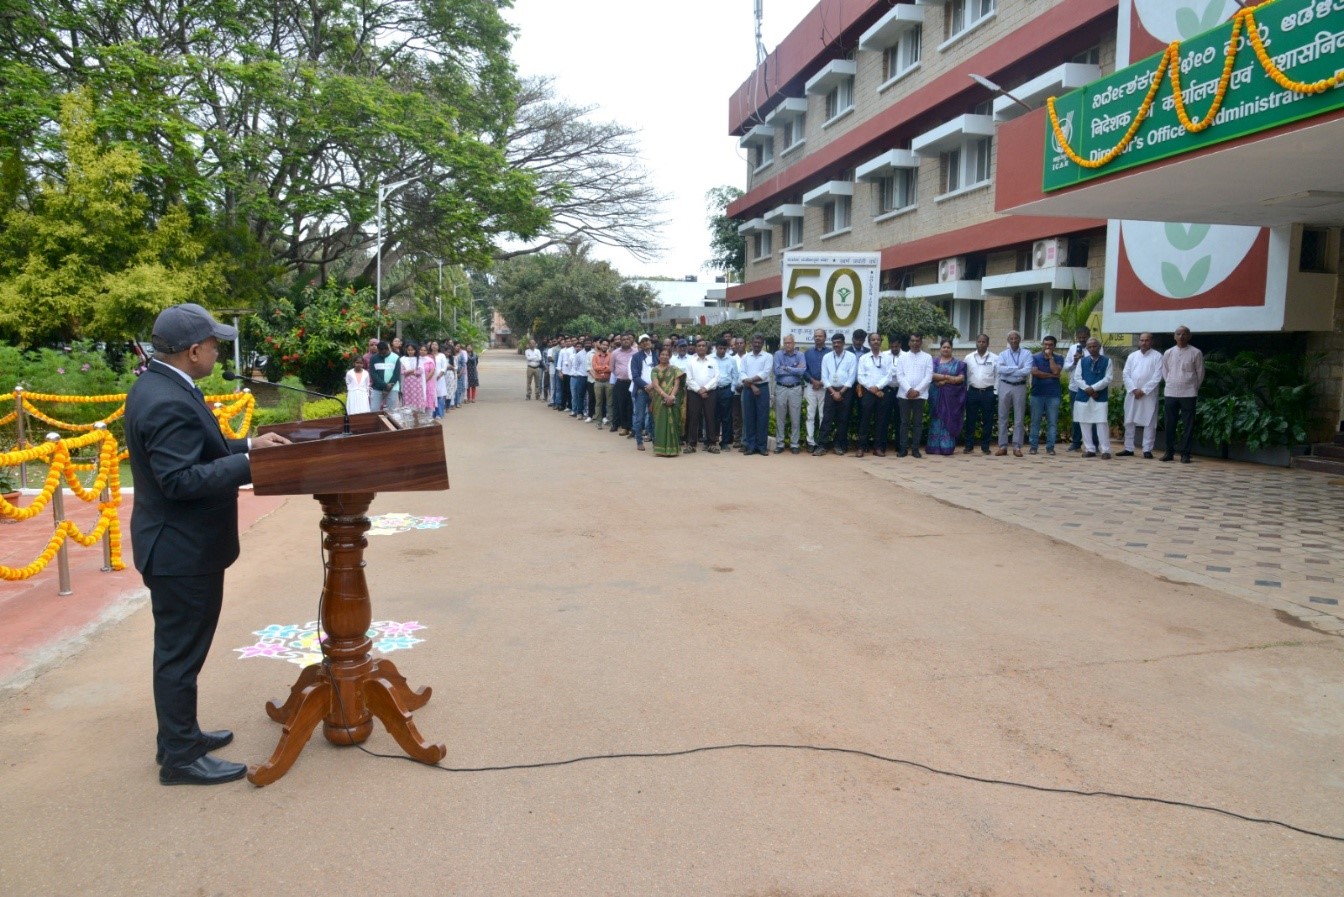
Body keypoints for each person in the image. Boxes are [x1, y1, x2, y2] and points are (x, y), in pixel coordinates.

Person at [124, 303, 291, 785]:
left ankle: (180, 737)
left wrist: (249, 447)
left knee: (182, 653)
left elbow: (200, 451)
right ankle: (180, 758)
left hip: (181, 547)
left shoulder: (163, 384)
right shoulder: (166, 399)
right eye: (215, 344)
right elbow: (179, 480)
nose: (219, 351)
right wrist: (250, 466)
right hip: (180, 552)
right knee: (179, 656)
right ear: (194, 351)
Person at [1161, 325, 1204, 463]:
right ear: (1174, 336)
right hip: (1171, 392)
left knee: (1188, 425)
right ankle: (1169, 452)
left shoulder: (1196, 352)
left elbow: (1200, 373)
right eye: (1178, 334)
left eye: (1184, 334)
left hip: (1189, 393)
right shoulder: (1168, 352)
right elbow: (1165, 371)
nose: (1181, 336)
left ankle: (1185, 454)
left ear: (1189, 336)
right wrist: (1171, 382)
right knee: (1170, 423)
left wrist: (1193, 387)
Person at [1118, 332, 1163, 458]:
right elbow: (1126, 374)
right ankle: (1128, 448)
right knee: (1129, 421)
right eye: (1142, 340)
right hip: (1132, 394)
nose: (1144, 343)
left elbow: (1158, 376)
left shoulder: (1157, 356)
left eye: (1146, 340)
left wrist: (1143, 390)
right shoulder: (1132, 356)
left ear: (1151, 342)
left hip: (1148, 395)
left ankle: (1147, 449)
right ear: (1139, 342)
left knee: (1149, 422)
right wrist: (1133, 389)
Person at [815, 333, 856, 456]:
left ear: (843, 343)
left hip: (846, 391)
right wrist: (834, 392)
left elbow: (852, 377)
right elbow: (824, 376)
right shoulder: (827, 357)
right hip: (830, 391)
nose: (836, 345)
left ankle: (838, 445)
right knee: (827, 419)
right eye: (834, 343)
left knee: (843, 419)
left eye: (838, 342)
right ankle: (822, 445)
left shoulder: (851, 357)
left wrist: (841, 392)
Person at [894, 332, 933, 458]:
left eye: (917, 341)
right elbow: (900, 376)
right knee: (904, 422)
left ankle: (915, 449)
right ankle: (903, 448)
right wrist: (909, 389)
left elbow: (928, 377)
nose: (915, 343)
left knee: (917, 423)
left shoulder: (927, 357)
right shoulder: (902, 357)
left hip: (919, 395)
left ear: (921, 342)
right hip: (904, 394)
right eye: (913, 341)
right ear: (909, 342)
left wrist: (917, 391)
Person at [1073, 337, 1113, 458]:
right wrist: (1088, 389)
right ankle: (1090, 449)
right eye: (1089, 347)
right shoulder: (1082, 361)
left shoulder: (1107, 361)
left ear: (1099, 347)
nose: (1092, 349)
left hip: (1099, 396)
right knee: (1084, 422)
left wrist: (1094, 388)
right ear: (1087, 348)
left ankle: (1105, 450)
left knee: (1101, 423)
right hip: (1084, 396)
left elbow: (1108, 378)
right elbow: (1077, 378)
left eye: (1094, 346)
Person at [855, 332, 892, 458]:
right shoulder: (863, 358)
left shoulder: (887, 358)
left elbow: (888, 376)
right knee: (864, 419)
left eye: (878, 340)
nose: (876, 342)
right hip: (868, 391)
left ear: (881, 342)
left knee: (881, 420)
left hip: (882, 392)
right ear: (869, 342)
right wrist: (873, 389)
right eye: (873, 340)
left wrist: (878, 387)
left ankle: (878, 448)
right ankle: (861, 447)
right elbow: (860, 376)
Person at [927, 339, 967, 455]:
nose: (946, 349)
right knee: (936, 419)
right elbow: (931, 375)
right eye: (944, 347)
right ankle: (933, 447)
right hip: (936, 396)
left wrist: (944, 381)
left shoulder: (958, 363)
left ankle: (946, 447)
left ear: (952, 349)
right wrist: (949, 377)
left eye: (948, 347)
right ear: (940, 348)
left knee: (948, 419)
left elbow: (961, 378)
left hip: (951, 399)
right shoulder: (934, 362)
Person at [995, 331, 1032, 457]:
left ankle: (1017, 447)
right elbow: (1000, 369)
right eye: (1011, 339)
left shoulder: (1027, 354)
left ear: (1020, 340)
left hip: (1019, 386)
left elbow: (1027, 371)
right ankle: (1002, 446)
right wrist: (1017, 368)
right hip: (1005, 385)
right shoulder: (1002, 354)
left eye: (1016, 338)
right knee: (1002, 417)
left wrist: (1009, 370)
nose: (1014, 341)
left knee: (1019, 418)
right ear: (1008, 340)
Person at [1028, 335, 1064, 455]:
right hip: (1037, 393)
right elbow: (1035, 373)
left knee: (1052, 422)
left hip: (1053, 394)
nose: (1047, 347)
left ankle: (1050, 447)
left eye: (1050, 345)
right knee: (1035, 421)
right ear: (1042, 345)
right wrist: (1052, 376)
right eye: (1045, 344)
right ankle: (1033, 446)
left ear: (1054, 346)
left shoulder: (1059, 358)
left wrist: (1051, 358)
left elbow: (1056, 370)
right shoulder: (1034, 357)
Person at [963, 334, 997, 455]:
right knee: (970, 420)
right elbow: (965, 376)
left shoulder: (995, 358)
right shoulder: (968, 358)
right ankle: (969, 446)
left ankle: (985, 446)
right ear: (976, 343)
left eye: (984, 342)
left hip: (988, 393)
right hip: (972, 392)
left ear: (988, 344)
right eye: (979, 341)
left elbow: (997, 376)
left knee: (988, 421)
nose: (981, 344)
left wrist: (995, 392)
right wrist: (966, 391)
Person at [739, 333, 773, 456]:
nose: (757, 345)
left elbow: (765, 373)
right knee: (749, 418)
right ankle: (750, 446)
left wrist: (750, 380)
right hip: (748, 389)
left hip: (762, 389)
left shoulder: (768, 356)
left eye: (759, 342)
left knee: (762, 418)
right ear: (751, 343)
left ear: (762, 344)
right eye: (755, 342)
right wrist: (752, 385)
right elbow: (742, 373)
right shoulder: (745, 357)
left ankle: (762, 447)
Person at [684, 339, 720, 453]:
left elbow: (716, 377)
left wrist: (706, 388)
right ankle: (691, 444)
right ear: (695, 348)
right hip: (694, 393)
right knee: (693, 417)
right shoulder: (690, 361)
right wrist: (699, 390)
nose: (701, 347)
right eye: (699, 345)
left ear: (706, 348)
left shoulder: (713, 361)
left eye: (703, 345)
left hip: (710, 392)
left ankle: (711, 443)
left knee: (710, 417)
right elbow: (688, 379)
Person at [773, 334, 807, 453]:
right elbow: (777, 371)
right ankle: (780, 444)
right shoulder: (778, 354)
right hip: (781, 388)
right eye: (785, 343)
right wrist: (794, 368)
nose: (787, 345)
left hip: (795, 388)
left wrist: (786, 368)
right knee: (780, 418)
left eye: (789, 342)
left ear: (794, 343)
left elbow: (802, 371)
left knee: (795, 417)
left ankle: (794, 444)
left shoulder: (800, 355)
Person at [650, 347, 685, 458]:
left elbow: (677, 384)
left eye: (667, 355)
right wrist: (665, 396)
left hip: (673, 399)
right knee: (660, 423)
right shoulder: (655, 370)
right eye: (662, 354)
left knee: (674, 422)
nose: (664, 356)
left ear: (670, 356)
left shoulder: (675, 369)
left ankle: (673, 449)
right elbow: (655, 385)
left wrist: (672, 397)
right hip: (660, 400)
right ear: (658, 356)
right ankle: (660, 449)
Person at [1062, 326, 1091, 452]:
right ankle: (1076, 442)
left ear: (1088, 336)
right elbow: (1066, 367)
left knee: (1091, 415)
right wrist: (1074, 361)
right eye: (1079, 338)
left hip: (1090, 387)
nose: (1082, 340)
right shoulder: (1073, 348)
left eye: (1084, 338)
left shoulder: (1095, 347)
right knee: (1076, 415)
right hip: (1075, 387)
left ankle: (1093, 443)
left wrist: (1083, 359)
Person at [803, 328, 828, 453]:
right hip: (811, 387)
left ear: (825, 338)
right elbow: (804, 370)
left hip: (825, 387)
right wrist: (813, 381)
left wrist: (822, 382)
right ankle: (811, 442)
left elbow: (831, 370)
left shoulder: (830, 353)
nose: (818, 338)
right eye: (816, 336)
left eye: (820, 336)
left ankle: (822, 441)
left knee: (823, 415)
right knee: (810, 415)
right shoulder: (807, 353)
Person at [631, 334, 657, 451]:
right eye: (642, 341)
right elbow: (635, 376)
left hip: (655, 391)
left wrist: (653, 386)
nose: (645, 343)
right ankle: (639, 441)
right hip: (641, 391)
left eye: (647, 340)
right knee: (639, 418)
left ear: (650, 341)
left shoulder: (657, 355)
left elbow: (660, 372)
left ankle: (655, 441)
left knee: (653, 417)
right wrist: (646, 386)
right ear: (640, 344)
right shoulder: (636, 357)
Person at [713, 339, 740, 451]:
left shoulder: (731, 360)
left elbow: (735, 376)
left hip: (726, 390)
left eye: (724, 348)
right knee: (713, 416)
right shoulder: (710, 358)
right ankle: (711, 441)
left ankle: (725, 442)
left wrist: (732, 390)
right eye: (720, 348)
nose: (722, 350)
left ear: (727, 349)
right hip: (713, 390)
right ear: (716, 347)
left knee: (726, 417)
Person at [610, 333, 636, 434]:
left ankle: (632, 426)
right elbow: (612, 368)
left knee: (632, 405)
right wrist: (620, 373)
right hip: (620, 382)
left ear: (631, 340)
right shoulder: (615, 353)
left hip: (633, 383)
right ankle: (624, 427)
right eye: (623, 339)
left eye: (627, 339)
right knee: (622, 405)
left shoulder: (636, 352)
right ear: (620, 341)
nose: (626, 341)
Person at [369, 340, 400, 413]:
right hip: (377, 388)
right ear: (378, 350)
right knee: (374, 410)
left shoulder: (395, 357)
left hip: (392, 388)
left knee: (391, 412)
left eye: (385, 352)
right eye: (381, 353)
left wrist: (389, 387)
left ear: (388, 349)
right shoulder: (373, 358)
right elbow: (373, 374)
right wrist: (385, 385)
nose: (383, 354)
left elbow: (396, 374)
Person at [589, 338, 612, 427]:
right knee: (598, 402)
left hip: (608, 381)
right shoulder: (595, 356)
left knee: (610, 402)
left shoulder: (611, 356)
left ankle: (610, 422)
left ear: (608, 346)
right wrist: (605, 368)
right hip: (598, 381)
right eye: (603, 344)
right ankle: (599, 422)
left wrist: (601, 369)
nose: (605, 346)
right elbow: (595, 367)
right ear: (600, 345)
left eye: (607, 345)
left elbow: (611, 368)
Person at [399, 342, 426, 412]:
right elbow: (402, 371)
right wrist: (412, 370)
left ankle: (416, 413)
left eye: (412, 350)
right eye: (408, 350)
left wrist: (409, 372)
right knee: (408, 397)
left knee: (416, 397)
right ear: (406, 350)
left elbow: (420, 371)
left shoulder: (418, 359)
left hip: (417, 383)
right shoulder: (403, 359)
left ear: (415, 350)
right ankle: (408, 413)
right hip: (407, 383)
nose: (410, 351)